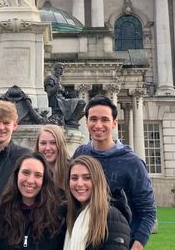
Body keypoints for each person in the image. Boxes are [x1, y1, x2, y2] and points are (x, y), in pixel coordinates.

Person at [73, 97, 156, 250]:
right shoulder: (81, 153)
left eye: (105, 119)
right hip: (83, 241)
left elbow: (148, 212)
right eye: (93, 119)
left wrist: (136, 246)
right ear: (86, 122)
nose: (98, 125)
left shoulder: (133, 163)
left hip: (119, 242)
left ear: (114, 123)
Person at [0, 152, 65, 250]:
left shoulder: (58, 214)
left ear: (44, 180)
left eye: (38, 175)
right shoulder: (2, 210)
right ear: (17, 174)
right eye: (25, 173)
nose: (30, 181)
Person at [64, 156, 130, 250]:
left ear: (97, 181)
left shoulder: (112, 218)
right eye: (74, 178)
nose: (79, 183)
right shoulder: (70, 216)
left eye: (87, 178)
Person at [44, 63, 86, 128]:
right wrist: (56, 86)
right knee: (81, 102)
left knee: (82, 103)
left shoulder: (58, 79)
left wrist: (68, 94)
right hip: (57, 101)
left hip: (62, 99)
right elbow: (49, 92)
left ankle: (71, 120)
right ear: (55, 69)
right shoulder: (50, 78)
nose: (62, 70)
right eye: (60, 68)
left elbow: (62, 92)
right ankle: (70, 120)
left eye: (62, 69)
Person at [35, 124, 70, 190]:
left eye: (53, 143)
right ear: (37, 146)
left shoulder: (72, 171)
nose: (48, 148)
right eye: (43, 143)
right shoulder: (31, 171)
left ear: (61, 145)